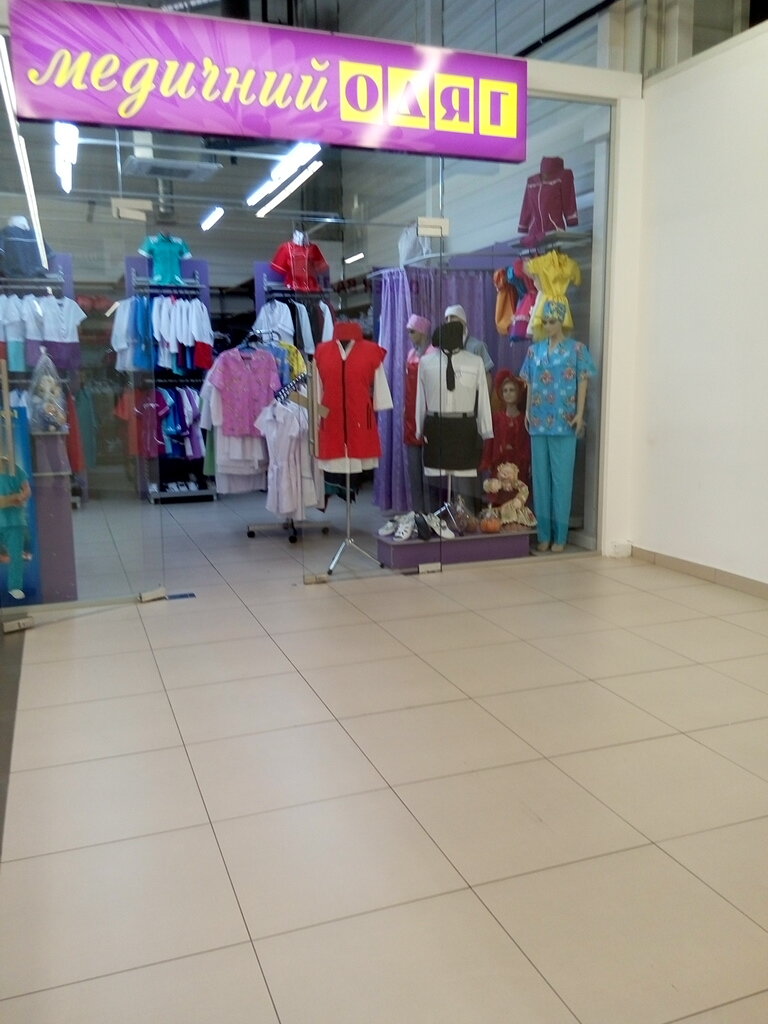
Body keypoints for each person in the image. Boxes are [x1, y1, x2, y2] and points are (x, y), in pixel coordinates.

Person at [519, 299, 596, 553]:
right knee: (541, 481)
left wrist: (580, 414)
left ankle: (560, 536)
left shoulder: (577, 350)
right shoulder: (534, 351)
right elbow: (530, 382)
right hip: (538, 421)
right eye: (545, 322)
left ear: (562, 321)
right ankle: (544, 534)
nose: (548, 326)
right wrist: (527, 410)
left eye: (552, 321)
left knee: (562, 480)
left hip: (565, 422)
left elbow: (583, 381)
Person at [480, 369, 531, 488]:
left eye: (512, 390)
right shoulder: (496, 418)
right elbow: (490, 442)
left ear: (518, 392)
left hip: (519, 468)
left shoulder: (524, 419)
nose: (508, 393)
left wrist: (527, 462)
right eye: (505, 390)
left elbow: (527, 444)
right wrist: (489, 460)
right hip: (499, 466)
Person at [403, 313, 431, 512]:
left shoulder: (433, 353)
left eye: (412, 331)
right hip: (411, 414)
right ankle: (417, 511)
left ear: (422, 331)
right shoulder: (411, 354)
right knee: (413, 467)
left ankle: (431, 511)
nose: (410, 335)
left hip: (428, 413)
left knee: (429, 470)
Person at [443, 304, 494, 391]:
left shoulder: (477, 346)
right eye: (446, 319)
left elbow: (486, 377)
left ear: (463, 321)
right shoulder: (444, 349)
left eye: (453, 317)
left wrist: (485, 398)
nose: (449, 321)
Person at [0, 463, 32, 600]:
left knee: (16, 555)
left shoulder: (14, 469)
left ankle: (15, 586)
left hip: (15, 521)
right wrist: (12, 498)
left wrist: (21, 496)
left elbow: (27, 490)